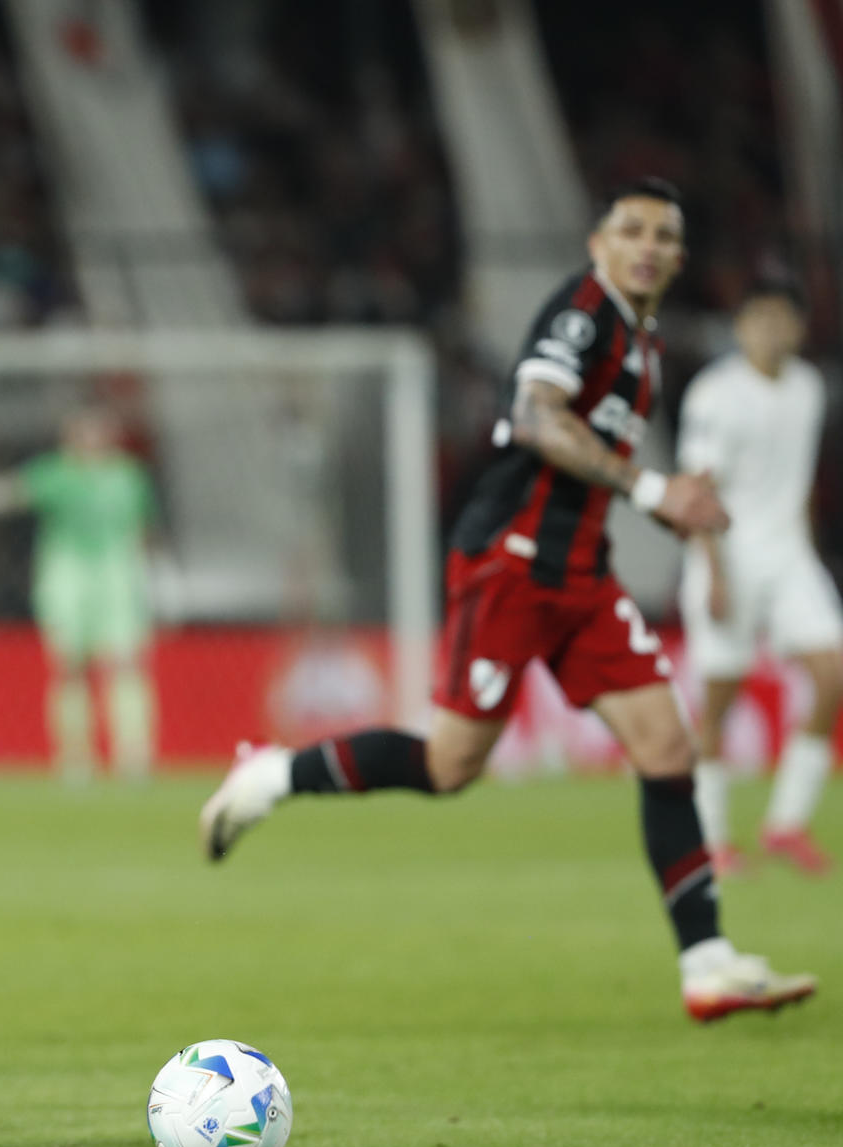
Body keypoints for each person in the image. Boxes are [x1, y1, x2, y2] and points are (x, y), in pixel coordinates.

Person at [199, 178, 816, 1024]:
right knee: (450, 765)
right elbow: (534, 416)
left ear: (678, 256)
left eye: (665, 236)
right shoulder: (584, 313)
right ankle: (272, 774)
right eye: (630, 228)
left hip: (583, 576)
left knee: (668, 748)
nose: (647, 246)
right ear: (598, 241)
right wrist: (650, 487)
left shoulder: (642, 338)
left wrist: (668, 504)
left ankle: (707, 964)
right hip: (514, 565)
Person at [678, 280, 839, 878]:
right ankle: (713, 838)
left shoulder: (808, 387)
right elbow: (698, 490)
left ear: (798, 327)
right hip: (729, 553)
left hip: (790, 555)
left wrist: (810, 557)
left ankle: (786, 824)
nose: (772, 330)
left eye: (782, 318)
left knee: (831, 674)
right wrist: (712, 572)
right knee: (720, 701)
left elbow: (798, 486)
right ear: (741, 327)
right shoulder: (716, 395)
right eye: (760, 318)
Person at [21, 406, 158, 781]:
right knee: (69, 666)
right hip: (66, 572)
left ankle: (134, 755)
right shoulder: (54, 474)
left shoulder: (130, 476)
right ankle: (75, 759)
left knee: (125, 663)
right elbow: (16, 494)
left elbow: (143, 529)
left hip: (118, 572)